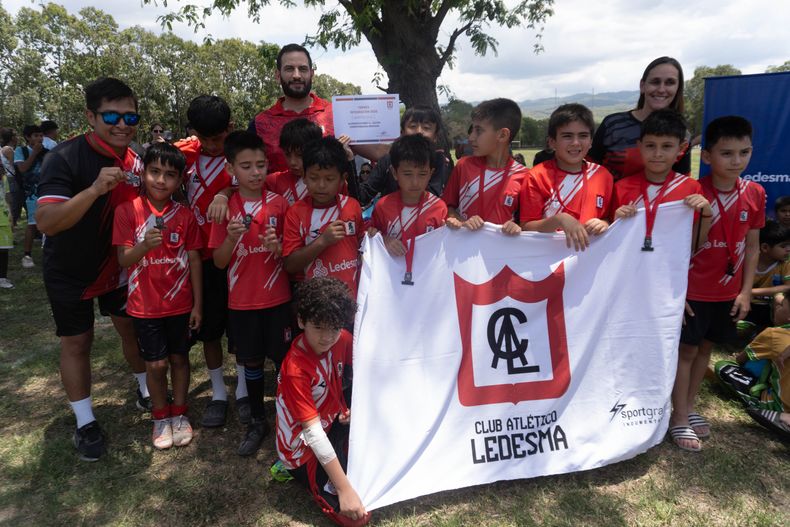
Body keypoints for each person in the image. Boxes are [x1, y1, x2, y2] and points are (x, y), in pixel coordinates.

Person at [35, 77, 149, 461]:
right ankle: (85, 423)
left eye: (130, 116)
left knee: (130, 328)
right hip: (71, 268)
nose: (122, 124)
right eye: (111, 116)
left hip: (120, 266)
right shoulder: (64, 157)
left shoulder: (136, 159)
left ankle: (145, 390)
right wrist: (94, 190)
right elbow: (47, 222)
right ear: (91, 116)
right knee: (78, 342)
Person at [671, 115, 765, 452]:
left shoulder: (755, 193)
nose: (736, 160)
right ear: (707, 156)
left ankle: (689, 405)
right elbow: (678, 248)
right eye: (727, 153)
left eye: (744, 152)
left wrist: (746, 291)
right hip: (694, 290)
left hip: (727, 293)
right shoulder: (693, 192)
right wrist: (677, 291)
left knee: (706, 349)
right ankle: (679, 416)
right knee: (686, 351)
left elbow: (752, 248)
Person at [113, 142, 203, 450]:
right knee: (155, 365)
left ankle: (180, 413)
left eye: (170, 175)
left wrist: (198, 305)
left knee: (179, 359)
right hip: (144, 306)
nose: (161, 180)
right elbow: (124, 259)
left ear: (179, 181)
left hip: (180, 305)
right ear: (143, 174)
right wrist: (144, 246)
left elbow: (194, 260)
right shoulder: (128, 211)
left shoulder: (186, 216)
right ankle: (160, 416)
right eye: (154, 172)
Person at [209, 131, 293, 456]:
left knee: (284, 362)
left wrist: (278, 247)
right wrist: (231, 239)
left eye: (261, 164)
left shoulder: (280, 204)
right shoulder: (224, 208)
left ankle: (289, 417)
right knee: (252, 362)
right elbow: (218, 262)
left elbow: (291, 253)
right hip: (242, 303)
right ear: (230, 168)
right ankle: (258, 421)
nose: (256, 172)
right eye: (246, 166)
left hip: (279, 300)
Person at [274, 276, 370, 527]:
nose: (327, 337)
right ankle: (291, 468)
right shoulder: (295, 369)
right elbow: (313, 434)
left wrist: (350, 409)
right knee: (357, 518)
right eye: (318, 327)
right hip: (303, 448)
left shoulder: (342, 338)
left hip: (331, 423)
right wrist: (344, 489)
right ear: (301, 321)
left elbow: (366, 371)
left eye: (334, 328)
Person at [175, 95, 247, 428]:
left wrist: (225, 193)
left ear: (229, 128)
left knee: (240, 327)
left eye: (217, 138)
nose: (212, 145)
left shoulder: (241, 155)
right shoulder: (184, 155)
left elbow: (252, 185)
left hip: (235, 254)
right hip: (200, 258)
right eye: (204, 138)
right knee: (209, 331)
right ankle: (218, 392)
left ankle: (243, 388)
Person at [612, 109, 712, 253]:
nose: (657, 154)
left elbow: (694, 246)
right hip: (630, 265)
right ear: (640, 146)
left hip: (671, 266)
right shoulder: (621, 187)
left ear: (681, 148)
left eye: (666, 146)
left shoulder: (691, 188)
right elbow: (612, 241)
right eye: (650, 146)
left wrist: (706, 215)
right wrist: (616, 221)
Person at [519, 103, 614, 251]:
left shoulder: (603, 175)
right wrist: (559, 220)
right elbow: (526, 227)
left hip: (590, 257)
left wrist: (604, 223)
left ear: (591, 141)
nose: (576, 143)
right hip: (549, 258)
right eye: (567, 136)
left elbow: (609, 218)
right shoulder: (537, 176)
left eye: (583, 136)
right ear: (552, 142)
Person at [283, 137, 364, 296]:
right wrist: (322, 241)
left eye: (329, 179)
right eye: (314, 178)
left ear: (343, 179)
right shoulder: (295, 213)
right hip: (317, 302)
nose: (321, 185)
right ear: (304, 177)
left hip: (353, 299)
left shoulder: (352, 206)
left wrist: (375, 235)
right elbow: (290, 265)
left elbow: (364, 246)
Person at [589, 57, 691, 181]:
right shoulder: (613, 125)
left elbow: (682, 183)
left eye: (670, 82)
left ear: (678, 88)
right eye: (655, 82)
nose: (661, 89)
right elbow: (588, 171)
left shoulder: (683, 134)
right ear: (642, 85)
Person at [442, 98, 526, 235]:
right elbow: (446, 207)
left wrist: (516, 226)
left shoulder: (524, 176)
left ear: (502, 135)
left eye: (478, 131)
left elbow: (526, 223)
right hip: (465, 247)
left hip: (502, 248)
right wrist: (460, 222)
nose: (471, 137)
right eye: (472, 130)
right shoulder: (464, 166)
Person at [249, 44, 334, 174]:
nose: (296, 75)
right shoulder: (259, 124)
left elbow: (369, 152)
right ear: (278, 75)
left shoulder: (335, 113)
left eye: (303, 69)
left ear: (312, 74)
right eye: (289, 69)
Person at [368, 134, 447, 259]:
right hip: (392, 270)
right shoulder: (382, 206)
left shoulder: (439, 208)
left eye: (422, 174)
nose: (415, 182)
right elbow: (371, 236)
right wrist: (383, 240)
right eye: (407, 174)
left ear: (430, 173)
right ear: (394, 173)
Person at [357, 106, 453, 206]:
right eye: (413, 126)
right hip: (388, 215)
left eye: (426, 128)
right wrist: (350, 159)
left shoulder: (438, 161)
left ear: (435, 136)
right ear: (402, 132)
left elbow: (429, 199)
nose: (419, 131)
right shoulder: (388, 160)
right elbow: (362, 197)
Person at [737, 220, 790, 337]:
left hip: (770, 307)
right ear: (765, 247)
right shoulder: (745, 261)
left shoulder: (786, 263)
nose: (788, 249)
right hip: (747, 304)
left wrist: (751, 292)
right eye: (783, 246)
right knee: (740, 327)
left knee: (780, 298)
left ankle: (773, 333)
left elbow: (788, 287)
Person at [265, 117, 324, 206]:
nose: (292, 162)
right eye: (287, 154)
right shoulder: (273, 182)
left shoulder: (331, 181)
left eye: (299, 155)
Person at [14, 125, 47, 268]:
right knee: (33, 223)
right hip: (31, 194)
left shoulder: (47, 152)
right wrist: (34, 153)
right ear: (28, 137)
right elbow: (22, 169)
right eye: (36, 136)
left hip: (46, 191)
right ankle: (27, 255)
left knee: (50, 221)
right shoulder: (20, 151)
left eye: (41, 135)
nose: (39, 138)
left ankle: (48, 251)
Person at [1, 128, 19, 227]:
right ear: (12, 138)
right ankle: (12, 225)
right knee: (14, 203)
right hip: (11, 178)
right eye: (16, 135)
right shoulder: (8, 149)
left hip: (8, 178)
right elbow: (15, 165)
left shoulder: (6, 148)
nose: (18, 137)